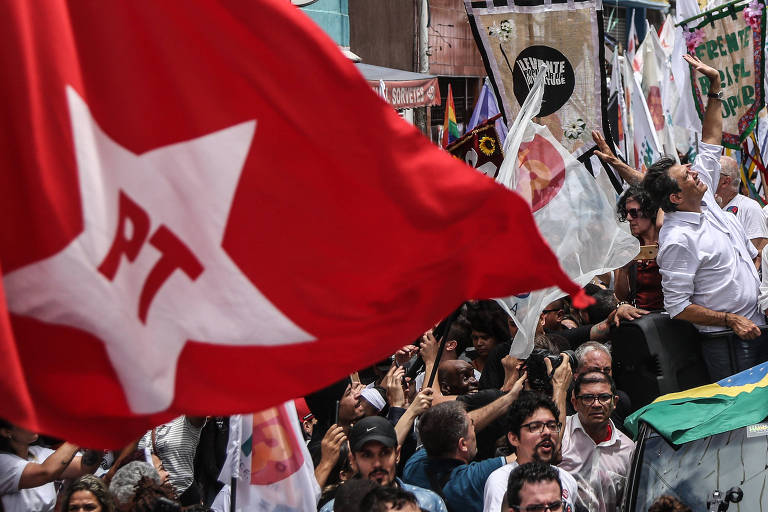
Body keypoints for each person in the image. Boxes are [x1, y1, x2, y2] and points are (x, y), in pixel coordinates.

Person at [642, 55, 768, 381]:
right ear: (675, 197)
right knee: (740, 408)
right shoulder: (677, 239)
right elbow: (678, 306)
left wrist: (715, 86)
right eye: (686, 175)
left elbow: (711, 138)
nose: (695, 173)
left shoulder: (706, 197)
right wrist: (730, 319)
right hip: (729, 341)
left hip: (758, 326)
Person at [402, 398, 522, 512]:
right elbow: (522, 457)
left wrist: (509, 398)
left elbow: (441, 430)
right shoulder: (474, 478)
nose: (475, 427)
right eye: (472, 425)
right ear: (463, 444)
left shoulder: (412, 465)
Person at [320, 416, 447, 512]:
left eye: (385, 453)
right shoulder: (334, 509)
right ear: (352, 460)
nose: (377, 463)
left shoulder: (428, 502)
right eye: (367, 455)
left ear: (397, 454)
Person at [483, 392, 578, 512]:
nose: (547, 432)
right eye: (535, 427)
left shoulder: (567, 479)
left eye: (552, 426)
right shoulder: (500, 481)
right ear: (514, 438)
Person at [559, 372, 634, 512]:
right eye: (588, 398)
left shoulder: (628, 450)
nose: (596, 404)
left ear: (615, 402)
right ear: (575, 403)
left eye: (604, 397)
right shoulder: (560, 435)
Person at [0, 420, 100, 511]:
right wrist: (80, 432)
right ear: (6, 432)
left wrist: (99, 434)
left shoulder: (38, 453)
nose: (32, 421)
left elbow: (84, 468)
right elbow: (46, 473)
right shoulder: (2, 462)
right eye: (23, 419)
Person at [614, 185, 663, 311]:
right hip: (639, 316)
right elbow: (621, 296)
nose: (628, 218)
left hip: (669, 315)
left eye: (633, 212)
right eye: (626, 213)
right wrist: (624, 269)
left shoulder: (668, 242)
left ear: (649, 211)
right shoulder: (628, 247)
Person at [138, 415, 206, 506]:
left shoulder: (186, 421)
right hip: (153, 498)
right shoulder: (144, 421)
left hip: (183, 496)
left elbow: (200, 410)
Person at [716, 155, 768, 255]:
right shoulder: (704, 206)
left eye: (711, 174)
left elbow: (758, 255)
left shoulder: (750, 208)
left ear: (725, 181)